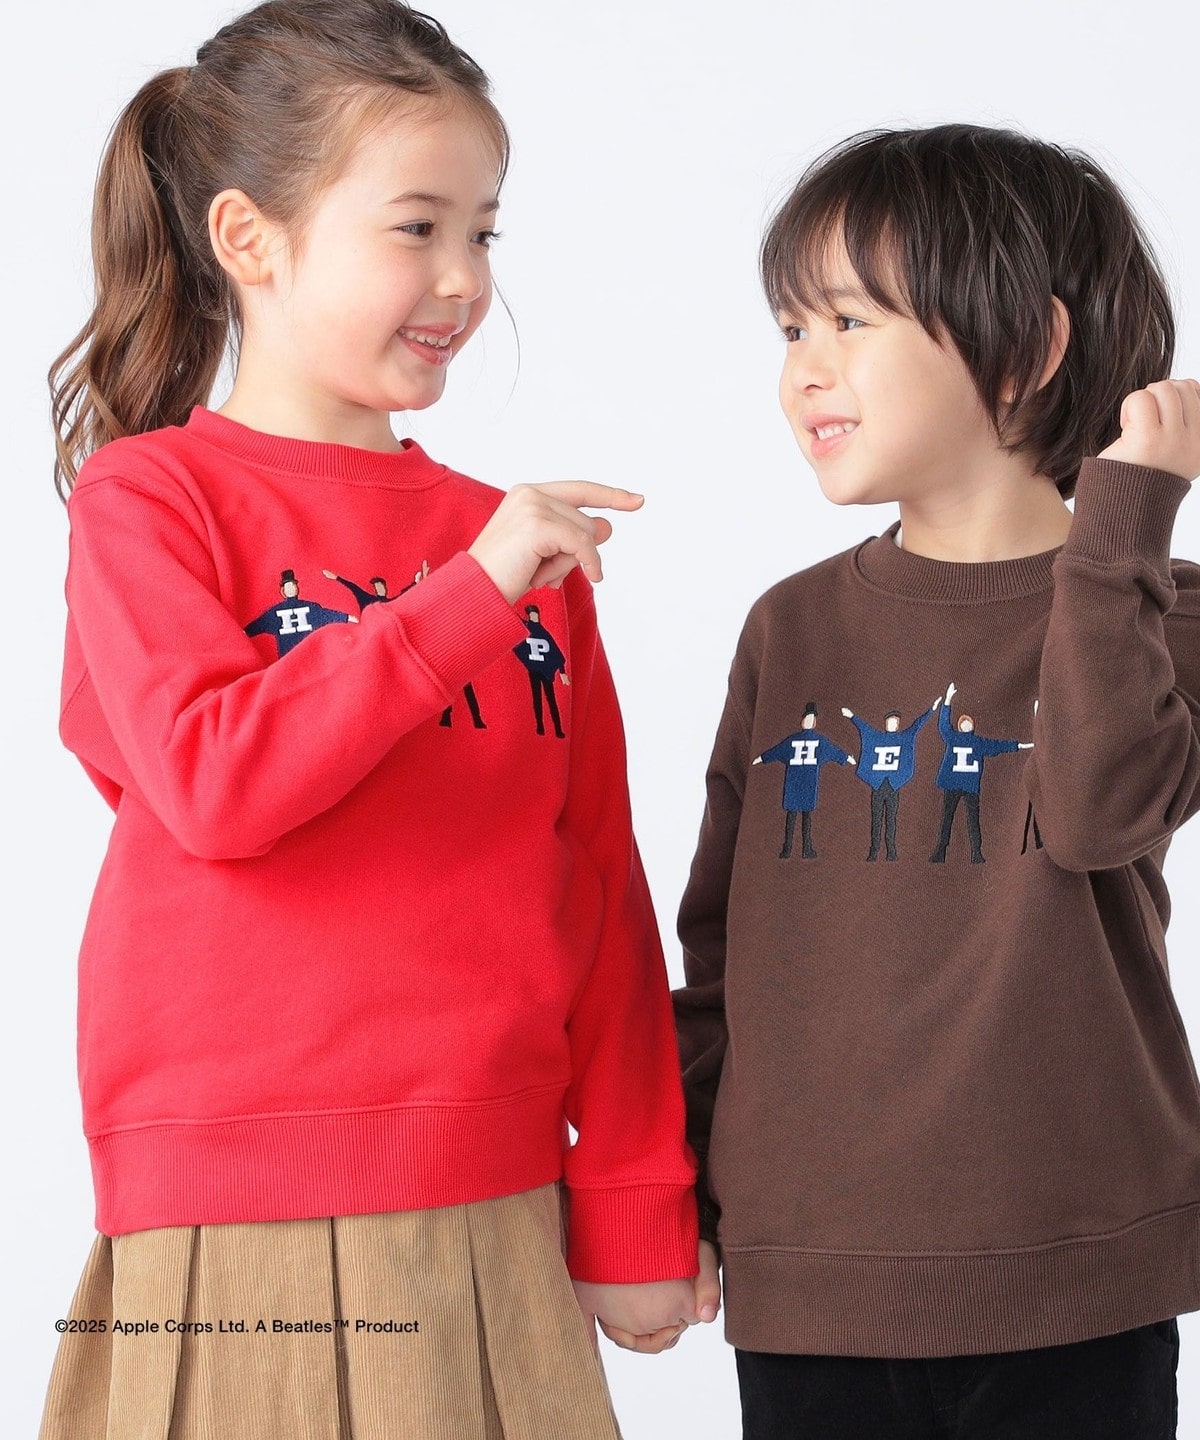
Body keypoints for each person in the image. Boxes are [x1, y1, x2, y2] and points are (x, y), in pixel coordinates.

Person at [40, 4, 700, 1437]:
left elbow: (597, 874)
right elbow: (217, 784)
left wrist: (636, 1195)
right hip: (232, 1213)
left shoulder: (513, 547)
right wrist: (468, 598)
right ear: (249, 237)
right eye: (417, 228)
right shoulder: (149, 502)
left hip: (494, 1199)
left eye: (485, 233)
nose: (464, 280)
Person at [674, 124, 1200, 1439]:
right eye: (791, 329)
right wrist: (673, 1188)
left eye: (849, 321)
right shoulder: (789, 628)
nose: (804, 371)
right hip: (811, 1281)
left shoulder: (1162, 609)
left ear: (1027, 348)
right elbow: (723, 942)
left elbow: (1097, 812)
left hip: (1075, 1277)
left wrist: (1125, 523)